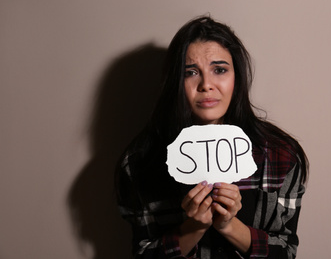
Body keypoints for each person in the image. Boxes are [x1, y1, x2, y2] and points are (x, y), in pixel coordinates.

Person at [115, 16, 308, 259]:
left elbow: (286, 252)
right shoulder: (139, 163)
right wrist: (193, 228)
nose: (206, 84)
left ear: (236, 77)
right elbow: (143, 254)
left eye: (219, 70)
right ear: (175, 81)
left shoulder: (280, 155)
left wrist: (229, 225)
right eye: (191, 72)